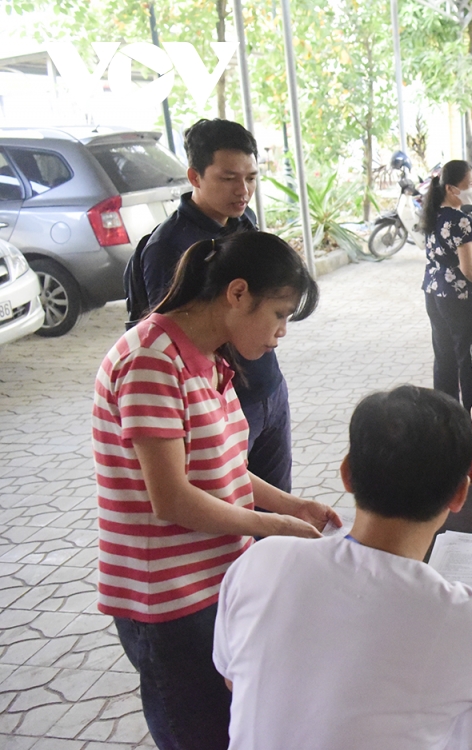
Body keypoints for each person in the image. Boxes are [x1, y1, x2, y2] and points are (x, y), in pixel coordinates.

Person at [213, 385, 472, 750]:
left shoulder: (260, 562)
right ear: (460, 494)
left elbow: (231, 679)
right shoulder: (468, 617)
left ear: (347, 474)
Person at [95, 232, 341, 750]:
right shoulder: (151, 361)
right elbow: (173, 497)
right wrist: (272, 527)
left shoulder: (208, 356)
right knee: (195, 733)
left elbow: (221, 463)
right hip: (168, 599)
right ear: (237, 293)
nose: (281, 333)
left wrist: (291, 503)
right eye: (278, 314)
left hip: (215, 582)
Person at [135, 118, 297, 496]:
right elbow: (176, 340)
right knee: (232, 508)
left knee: (277, 502)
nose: (243, 190)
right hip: (221, 400)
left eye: (251, 178)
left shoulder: (245, 223)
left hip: (268, 387)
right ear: (195, 175)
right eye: (228, 178)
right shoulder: (168, 248)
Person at [423, 159, 472, 409]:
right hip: (458, 297)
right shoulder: (461, 221)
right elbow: (468, 269)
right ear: (451, 188)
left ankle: (444, 413)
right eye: (469, 184)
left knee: (444, 356)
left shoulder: (434, 214)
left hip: (433, 292)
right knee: (467, 356)